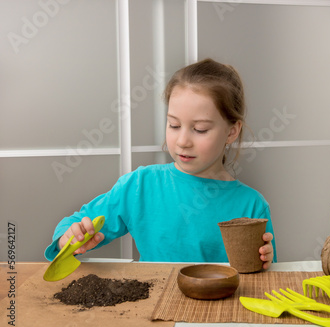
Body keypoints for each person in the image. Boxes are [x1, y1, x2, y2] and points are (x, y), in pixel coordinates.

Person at [44, 58, 276, 269]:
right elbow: (73, 225)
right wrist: (71, 237)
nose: (183, 141)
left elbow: (267, 280)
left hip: (216, 313)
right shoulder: (140, 185)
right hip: (152, 308)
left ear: (232, 132)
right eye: (174, 125)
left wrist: (265, 262)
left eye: (200, 129)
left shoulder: (252, 206)